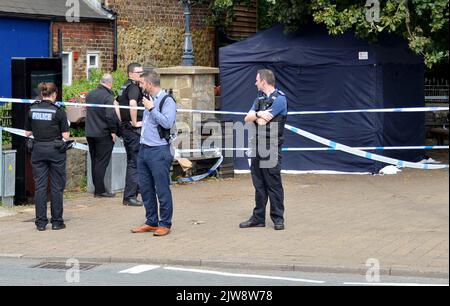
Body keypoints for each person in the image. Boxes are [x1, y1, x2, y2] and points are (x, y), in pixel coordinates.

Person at [240, 69, 288, 230]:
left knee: (273, 184)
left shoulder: (280, 100)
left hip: (271, 146)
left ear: (264, 81)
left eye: (257, 80)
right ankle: (258, 218)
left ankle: (278, 218)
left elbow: (260, 123)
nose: (255, 83)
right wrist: (259, 113)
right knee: (259, 184)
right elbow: (247, 118)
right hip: (257, 145)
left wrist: (256, 116)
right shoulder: (259, 99)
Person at [131, 71, 176, 237]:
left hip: (159, 150)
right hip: (144, 149)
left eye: (142, 83)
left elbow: (167, 122)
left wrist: (152, 109)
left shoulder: (167, 100)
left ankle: (165, 223)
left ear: (149, 84)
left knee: (162, 189)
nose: (140, 86)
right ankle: (151, 221)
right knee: (146, 188)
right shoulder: (147, 99)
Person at [24, 82, 70, 231]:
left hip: (38, 150)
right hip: (55, 151)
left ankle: (41, 223)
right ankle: (57, 222)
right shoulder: (58, 111)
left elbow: (27, 133)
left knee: (40, 187)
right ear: (54, 94)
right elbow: (65, 135)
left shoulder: (32, 109)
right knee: (56, 187)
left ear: (42, 94)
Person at [115, 63, 145, 206]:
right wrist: (134, 122)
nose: (141, 74)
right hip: (132, 130)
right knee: (134, 162)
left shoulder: (125, 86)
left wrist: (122, 120)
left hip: (126, 128)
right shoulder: (133, 87)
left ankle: (139, 192)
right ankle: (130, 196)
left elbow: (115, 102)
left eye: (142, 72)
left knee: (134, 161)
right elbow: (133, 104)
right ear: (130, 74)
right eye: (139, 72)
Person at [86, 74, 118, 198]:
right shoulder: (108, 97)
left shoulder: (90, 94)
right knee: (101, 162)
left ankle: (98, 188)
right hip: (103, 133)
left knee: (95, 161)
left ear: (101, 81)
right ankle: (100, 191)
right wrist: (113, 131)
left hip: (90, 133)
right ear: (110, 83)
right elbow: (110, 116)